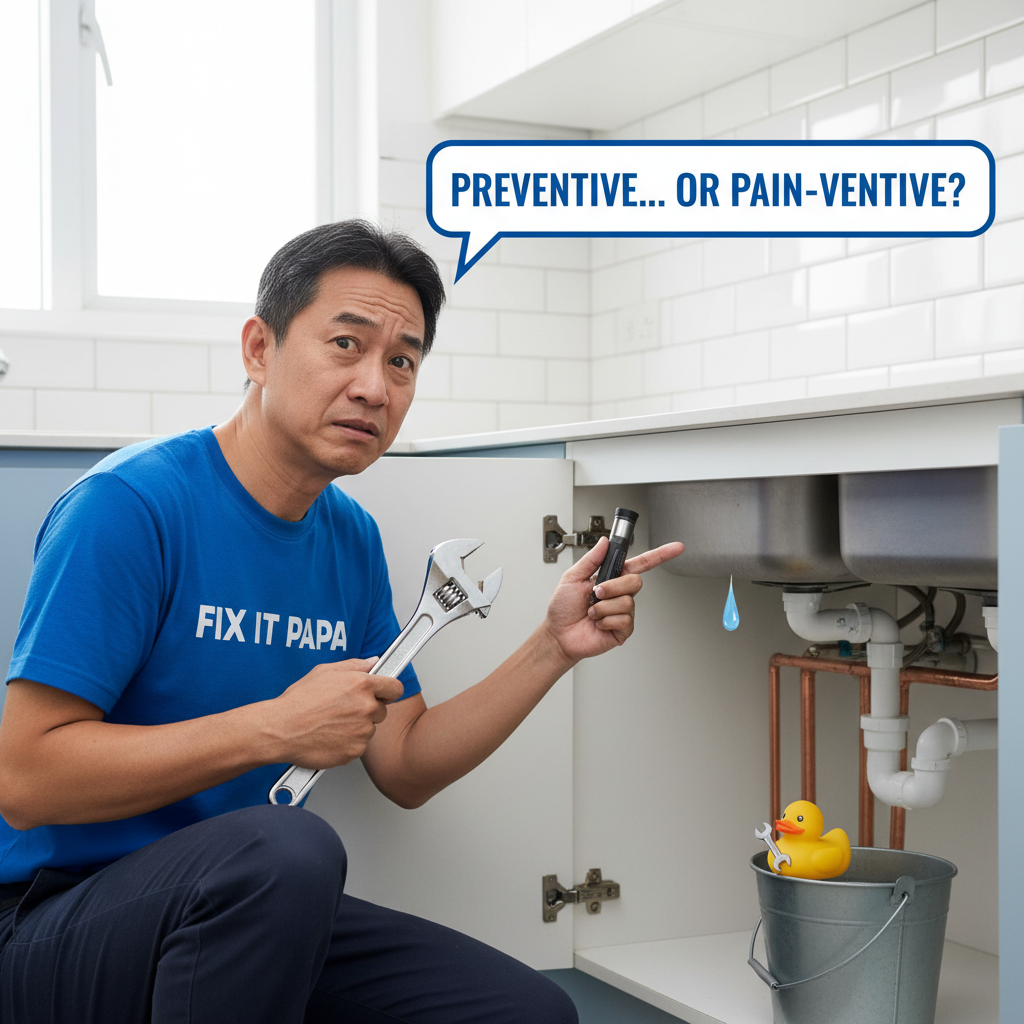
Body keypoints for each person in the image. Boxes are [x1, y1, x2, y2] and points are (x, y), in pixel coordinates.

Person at [0, 220, 683, 1024]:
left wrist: (550, 648)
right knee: (290, 849)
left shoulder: (350, 537)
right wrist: (272, 730)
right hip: (53, 920)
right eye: (346, 345)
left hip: (250, 908)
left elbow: (405, 765)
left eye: (402, 361)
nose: (374, 387)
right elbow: (24, 778)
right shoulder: (131, 506)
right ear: (260, 348)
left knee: (527, 1011)